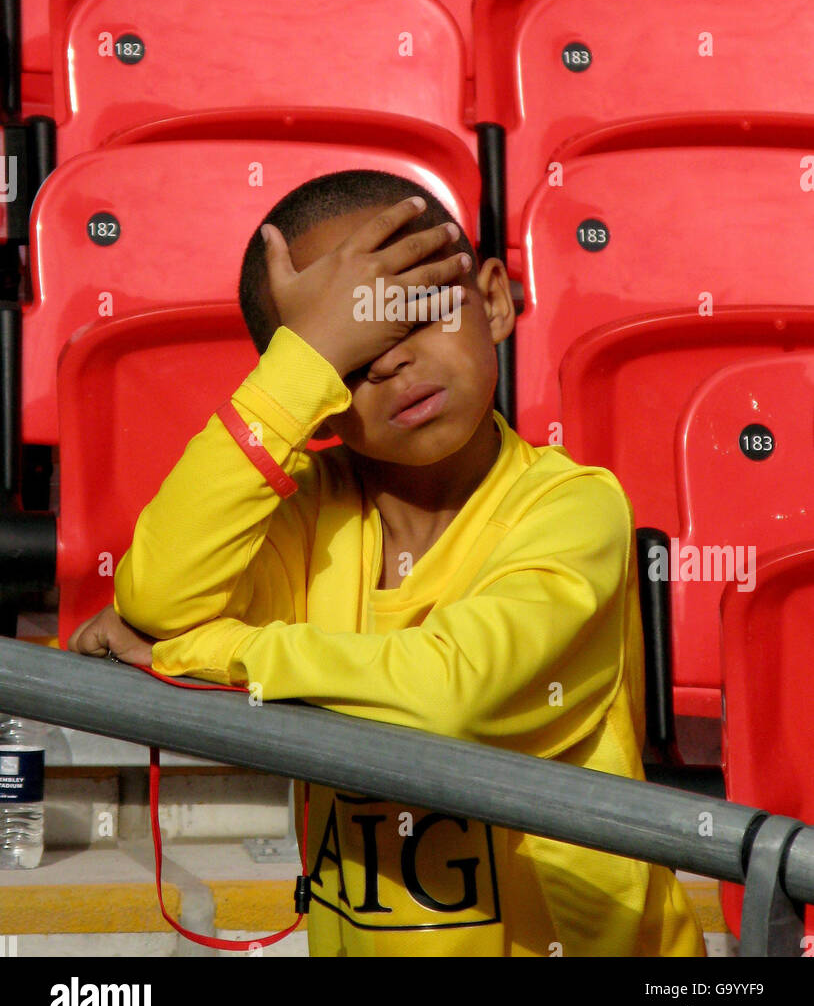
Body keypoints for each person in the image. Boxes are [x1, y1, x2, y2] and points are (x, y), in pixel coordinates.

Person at [70, 168, 706, 958]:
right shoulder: (305, 513)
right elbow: (159, 596)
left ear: (496, 301)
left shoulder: (574, 507)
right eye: (344, 352)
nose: (389, 364)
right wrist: (296, 371)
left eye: (416, 312)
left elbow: (450, 701)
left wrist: (209, 651)